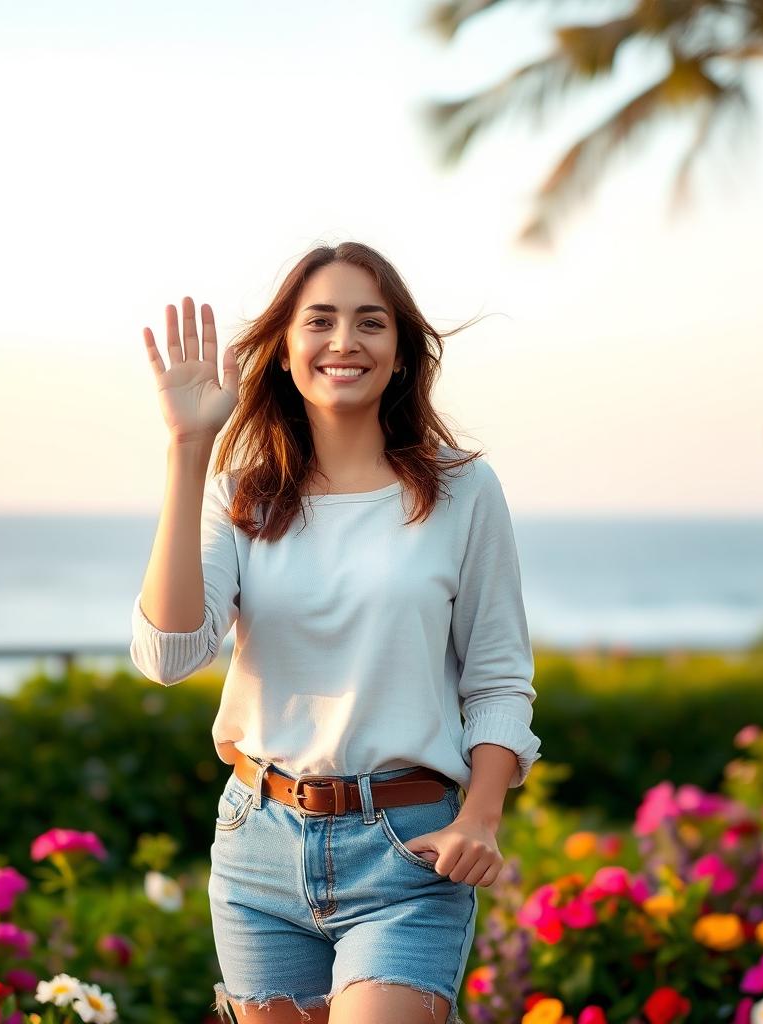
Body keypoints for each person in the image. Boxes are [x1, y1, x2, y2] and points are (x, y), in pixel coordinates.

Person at [129, 241, 542, 1024]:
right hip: (258, 850)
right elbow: (169, 653)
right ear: (285, 351)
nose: (344, 341)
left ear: (400, 354)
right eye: (319, 320)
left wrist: (481, 815)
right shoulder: (239, 499)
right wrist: (189, 451)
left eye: (370, 322)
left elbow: (497, 678)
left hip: (408, 852)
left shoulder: (461, 493)